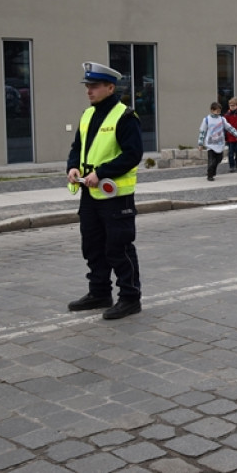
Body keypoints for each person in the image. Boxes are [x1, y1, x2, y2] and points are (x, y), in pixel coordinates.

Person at [65, 61, 144, 320]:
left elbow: (133, 154)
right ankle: (99, 292)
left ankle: (130, 297)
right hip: (90, 194)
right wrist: (73, 168)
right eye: (87, 86)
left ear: (110, 87)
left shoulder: (124, 116)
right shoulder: (88, 114)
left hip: (115, 195)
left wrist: (101, 173)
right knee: (93, 245)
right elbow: (78, 147)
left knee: (118, 247)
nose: (89, 91)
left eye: (94, 86)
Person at [198, 101, 237, 181]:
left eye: (219, 110)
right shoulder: (207, 120)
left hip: (219, 143)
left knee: (219, 159)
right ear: (212, 110)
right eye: (216, 110)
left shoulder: (222, 119)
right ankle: (210, 174)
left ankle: (212, 171)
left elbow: (229, 128)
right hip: (210, 144)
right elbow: (202, 131)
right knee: (211, 160)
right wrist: (200, 143)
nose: (218, 112)